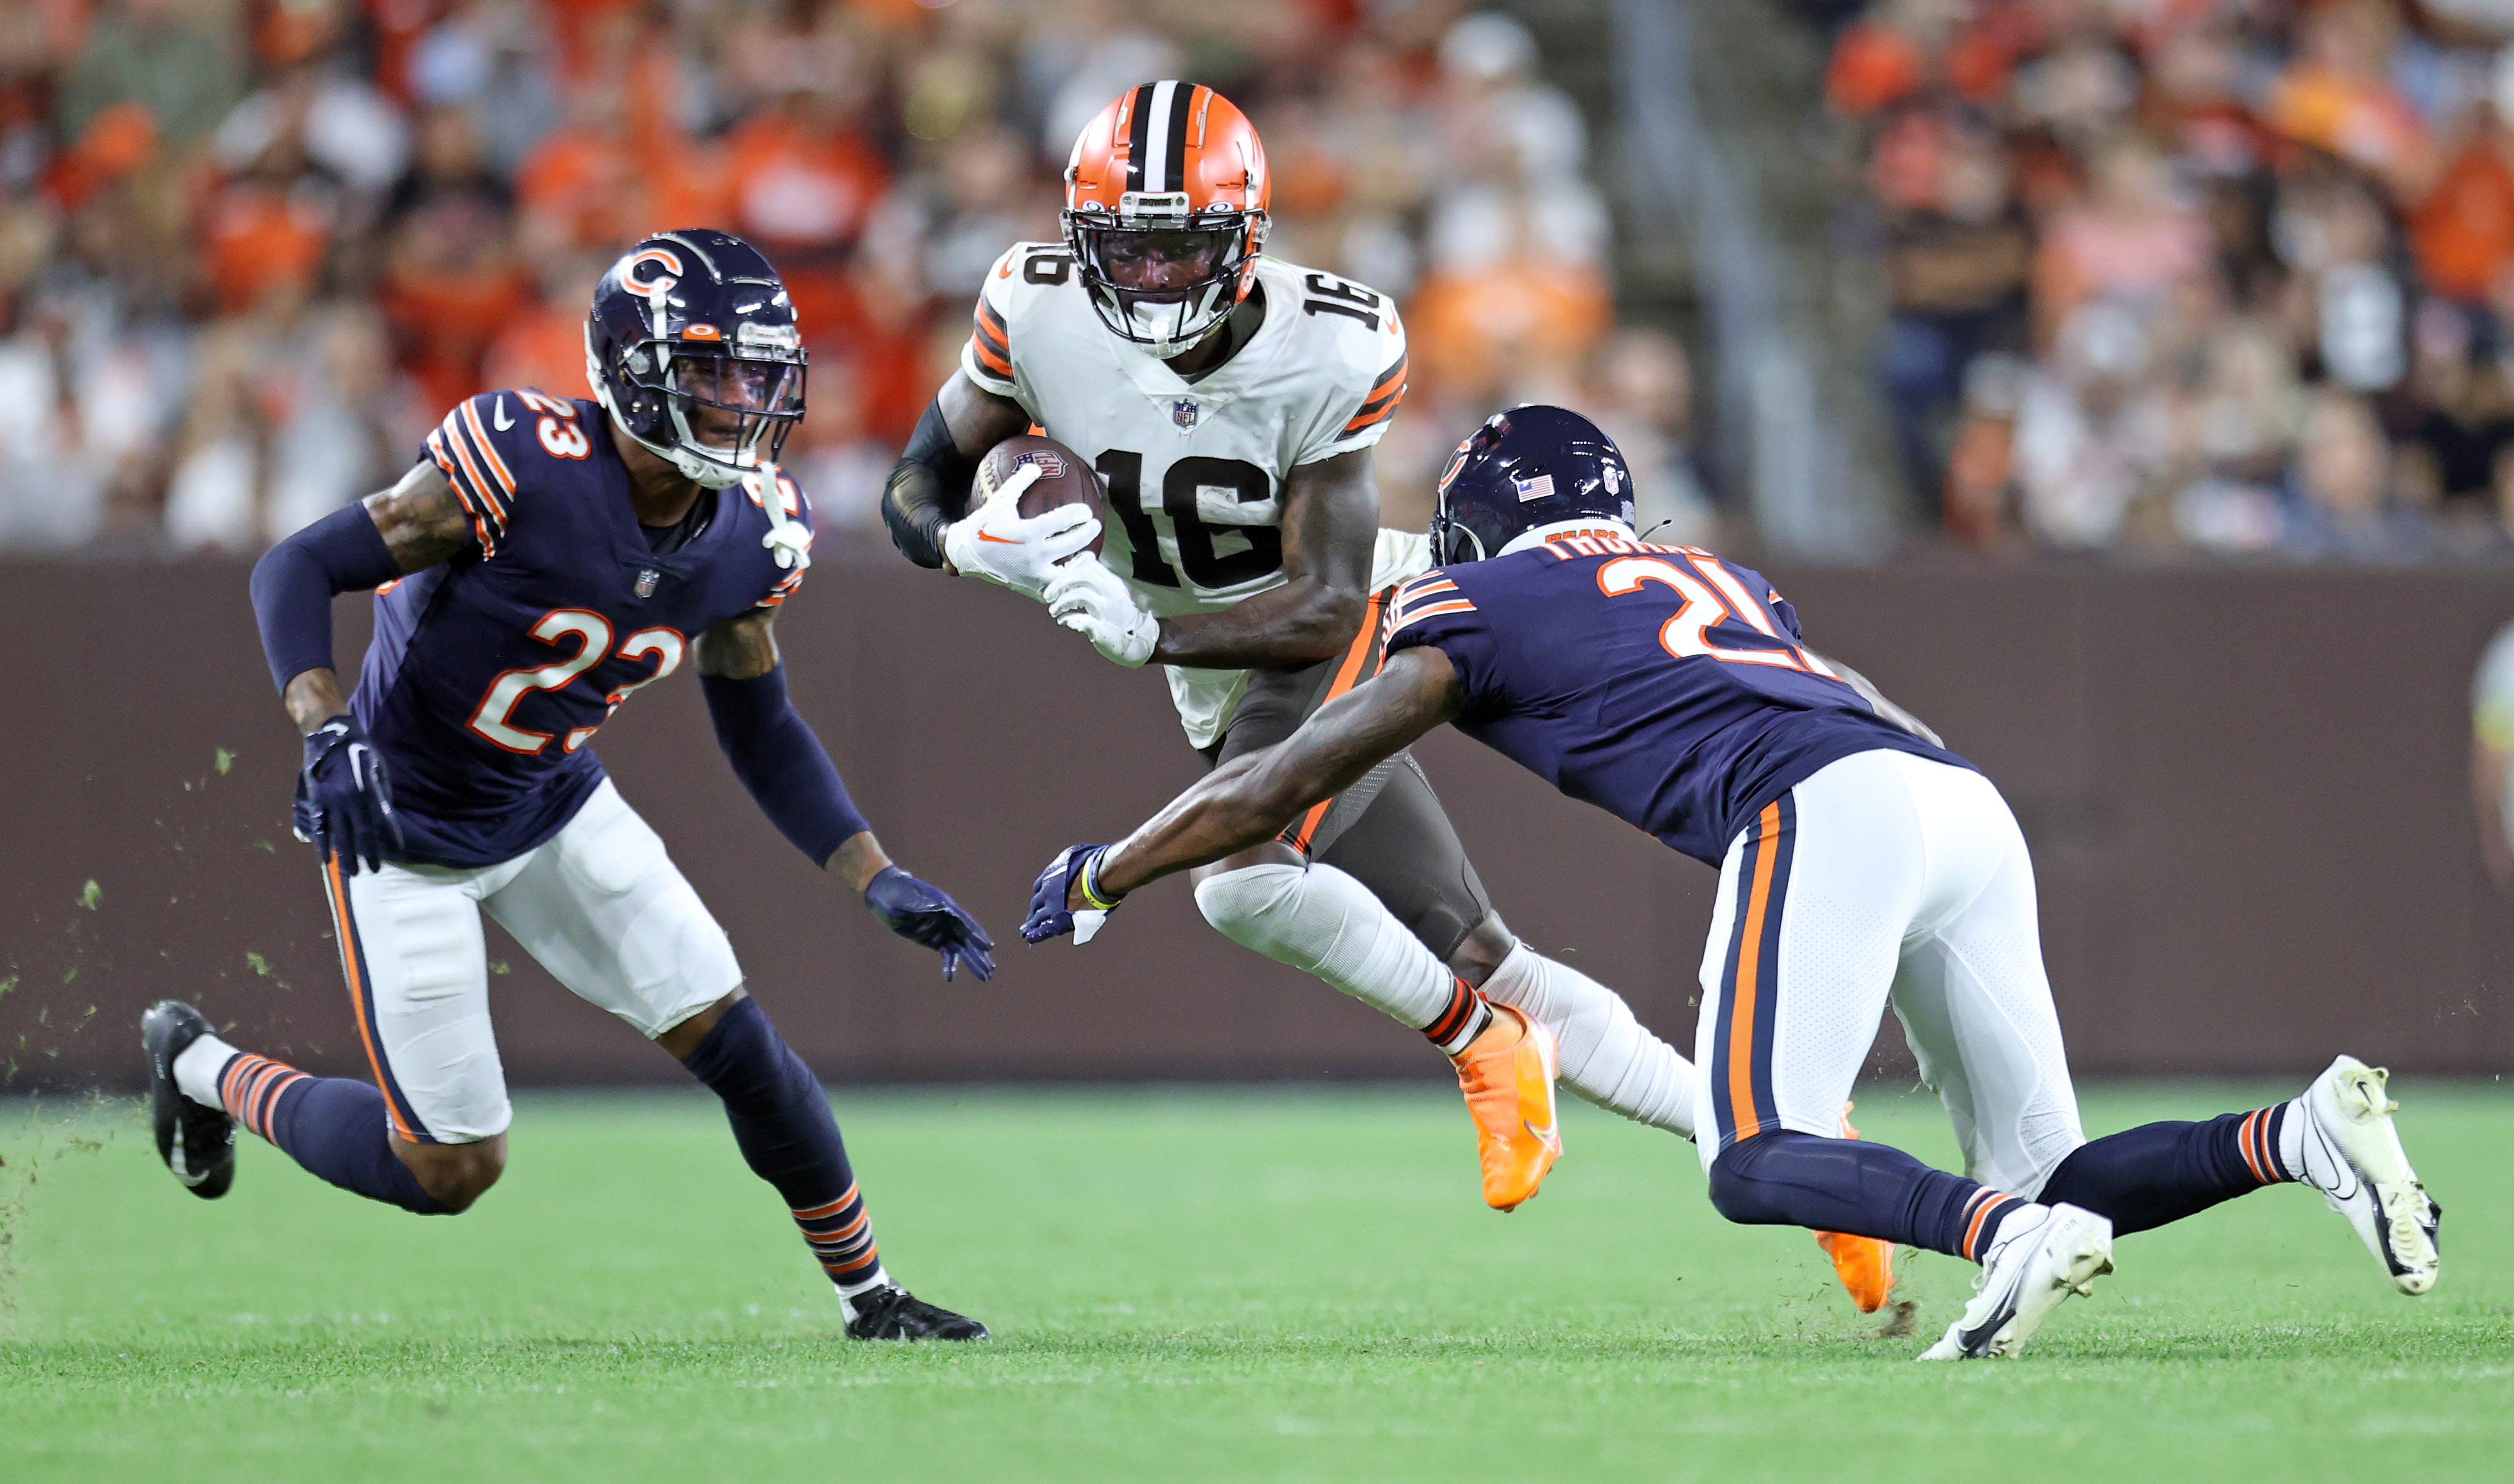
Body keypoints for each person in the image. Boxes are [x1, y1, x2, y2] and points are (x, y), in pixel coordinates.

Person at [1021, 405, 2444, 1360]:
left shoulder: (1473, 598)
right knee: (2062, 1172)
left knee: (1752, 1157)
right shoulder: (1720, 573)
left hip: (1820, 809)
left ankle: (1996, 1237)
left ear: (1474, 531)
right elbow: (1850, 697)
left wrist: (1112, 864)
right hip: (1949, 797)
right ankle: (2295, 1136)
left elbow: (1279, 780)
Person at [875, 82, 1893, 1286]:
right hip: (1214, 663)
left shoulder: (1333, 338)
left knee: (1241, 884)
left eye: (1181, 247)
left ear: (1246, 238)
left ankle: (1479, 1046)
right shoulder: (1031, 305)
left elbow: (1317, 604)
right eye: (1127, 249)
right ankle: (1827, 1170)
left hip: (1343, 614)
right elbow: (913, 491)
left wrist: (1148, 632)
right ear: (1078, 238)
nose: (1151, 279)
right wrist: (961, 546)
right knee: (1481, 953)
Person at [142, 229, 993, 1342]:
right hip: (400, 824)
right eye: (711, 370)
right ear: (634, 369)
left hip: (552, 801)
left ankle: (870, 1297)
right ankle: (200, 1064)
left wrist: (872, 874)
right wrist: (324, 728)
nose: (745, 400)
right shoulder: (522, 463)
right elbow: (294, 565)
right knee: (449, 1168)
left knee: (737, 1039)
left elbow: (757, 718)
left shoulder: (754, 533)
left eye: (758, 372)